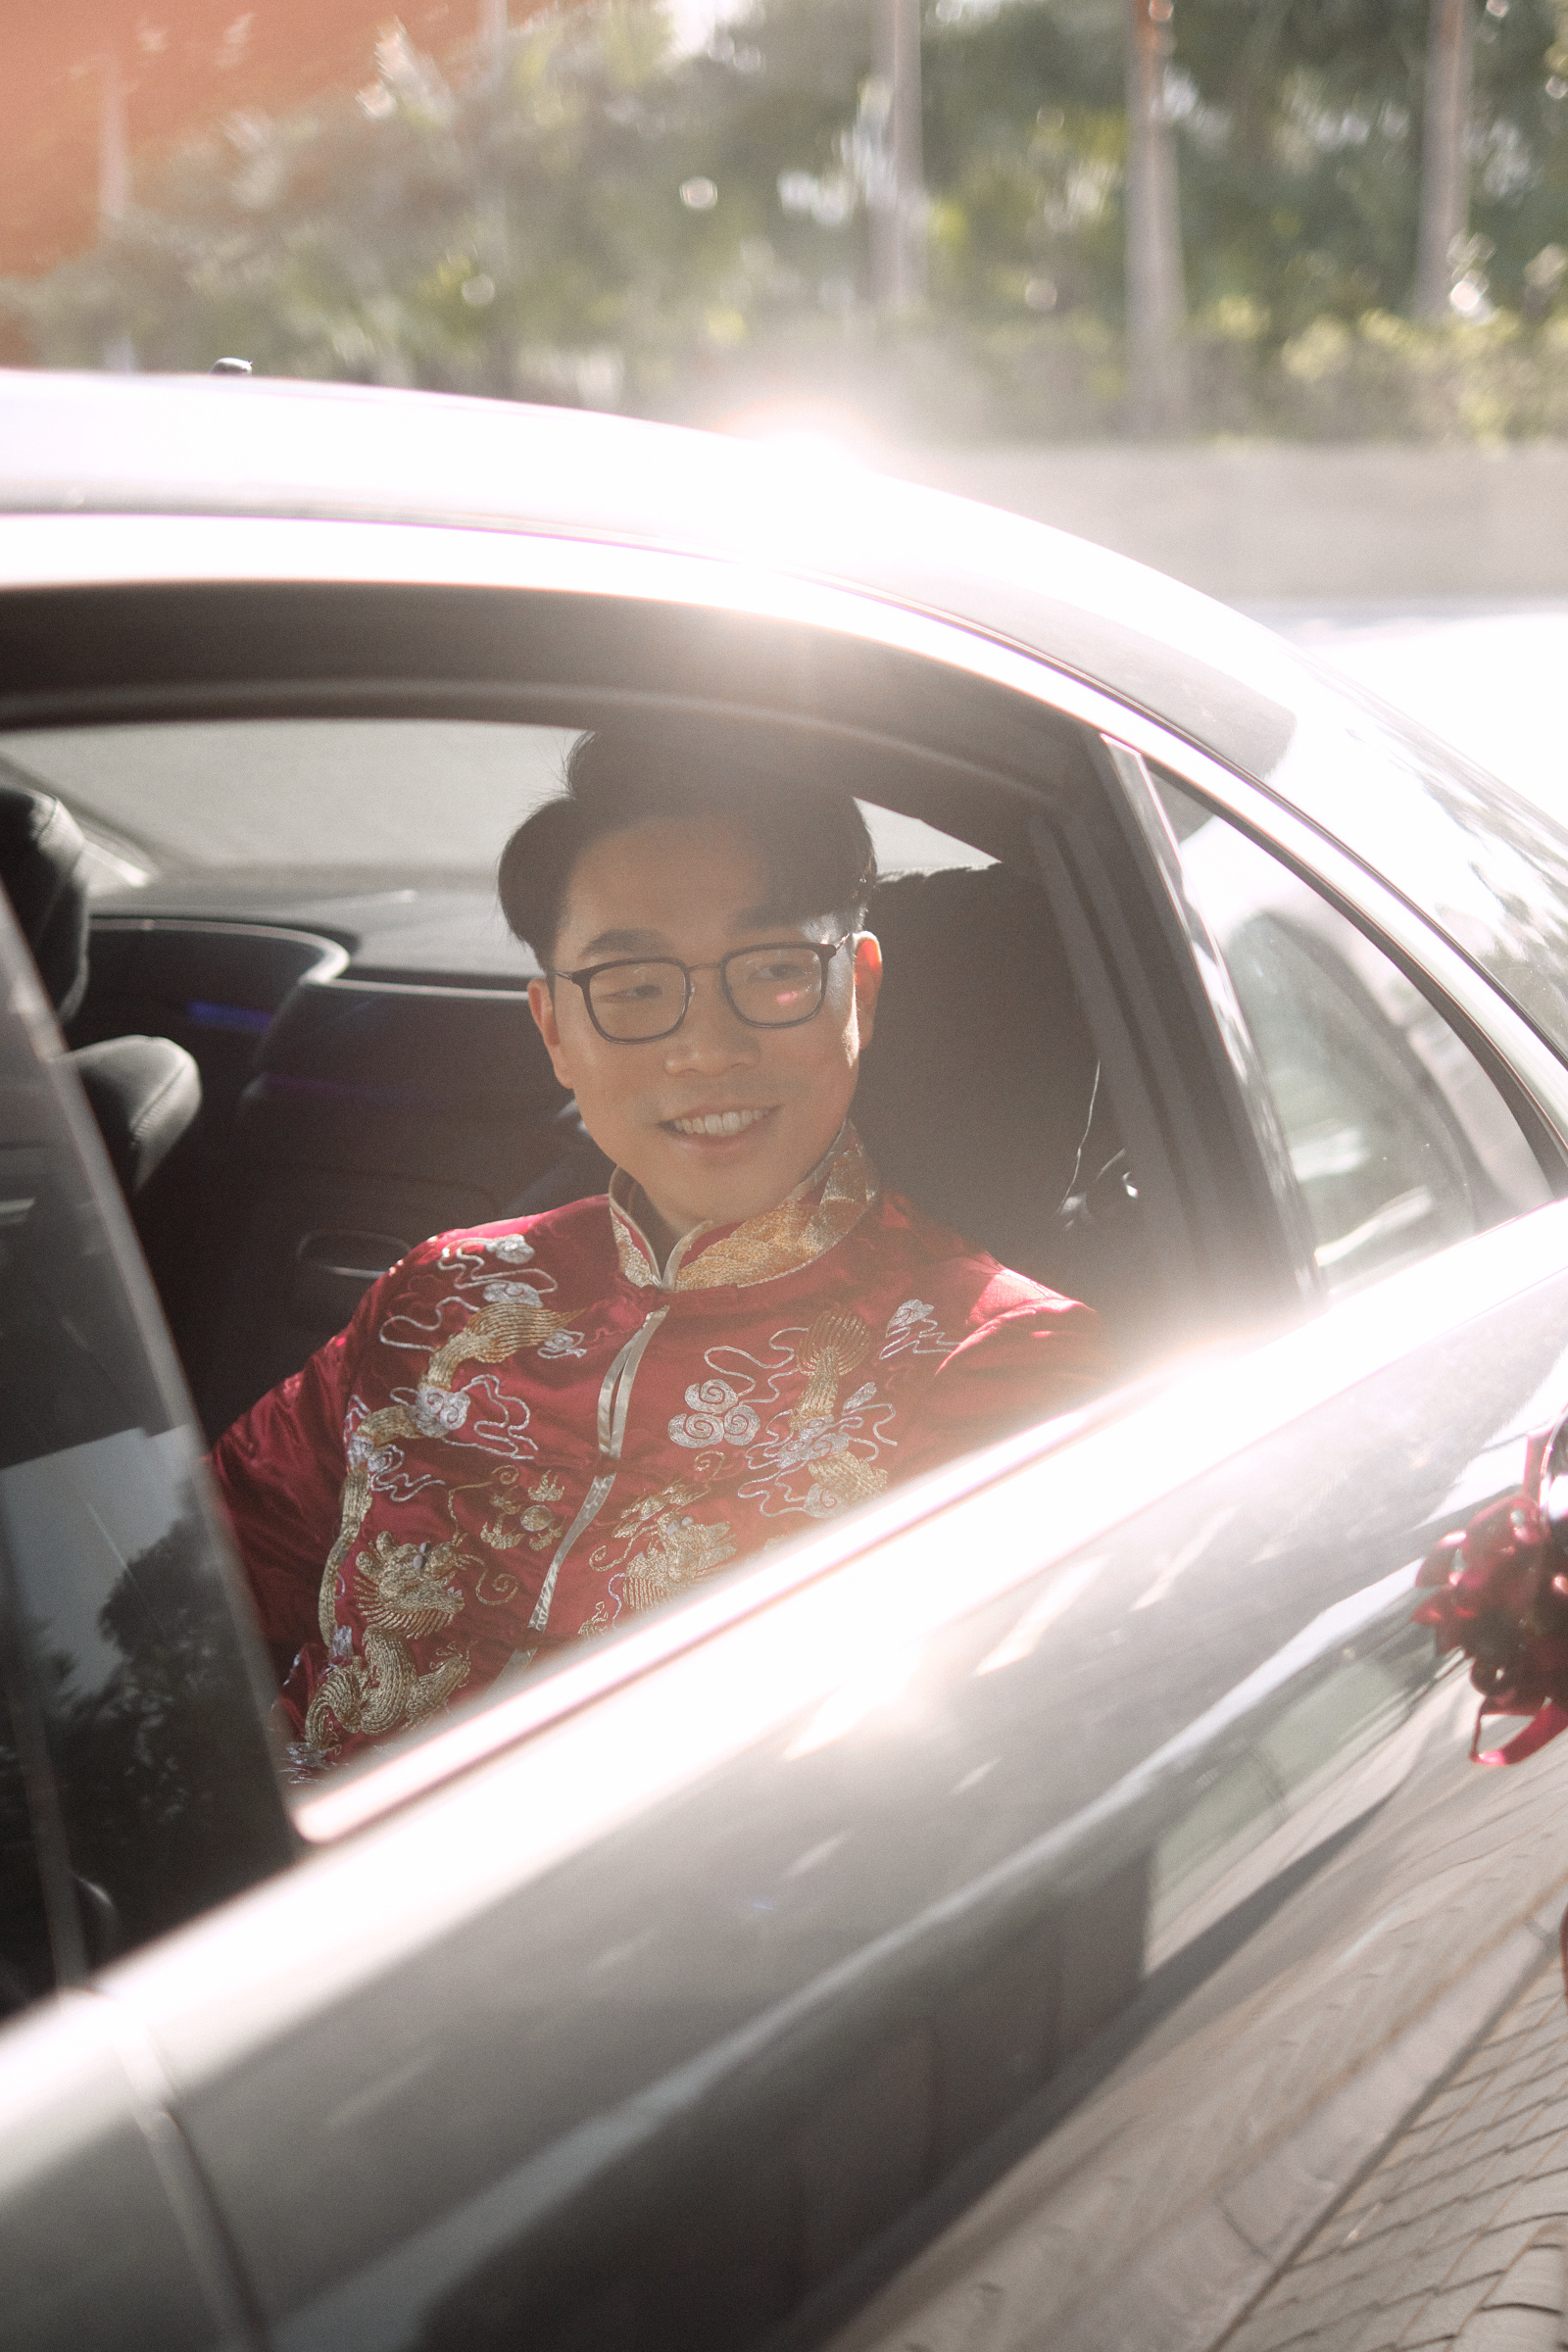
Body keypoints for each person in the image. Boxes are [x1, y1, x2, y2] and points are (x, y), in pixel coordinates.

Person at [212, 726, 1104, 1772]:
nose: (707, 1049)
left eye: (773, 972)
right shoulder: (439, 1299)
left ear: (858, 992)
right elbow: (172, 1589)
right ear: (554, 1029)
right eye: (633, 986)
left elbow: (890, 1785)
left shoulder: (1002, 1363)